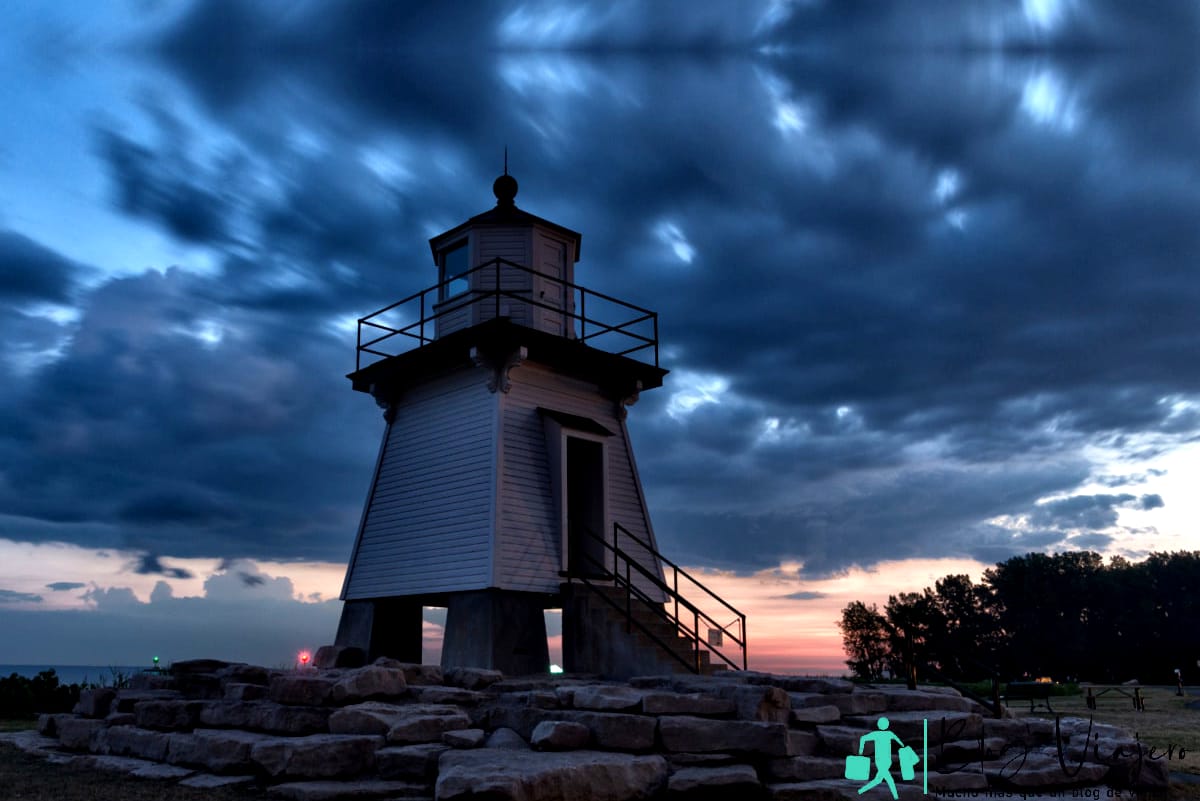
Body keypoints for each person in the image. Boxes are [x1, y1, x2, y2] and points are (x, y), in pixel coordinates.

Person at [858, 717, 905, 798]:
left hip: (882, 760)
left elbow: (863, 738)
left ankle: (861, 790)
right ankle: (896, 796)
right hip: (884, 760)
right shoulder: (889, 734)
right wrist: (903, 746)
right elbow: (898, 741)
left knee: (878, 780)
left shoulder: (877, 734)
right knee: (888, 779)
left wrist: (861, 750)